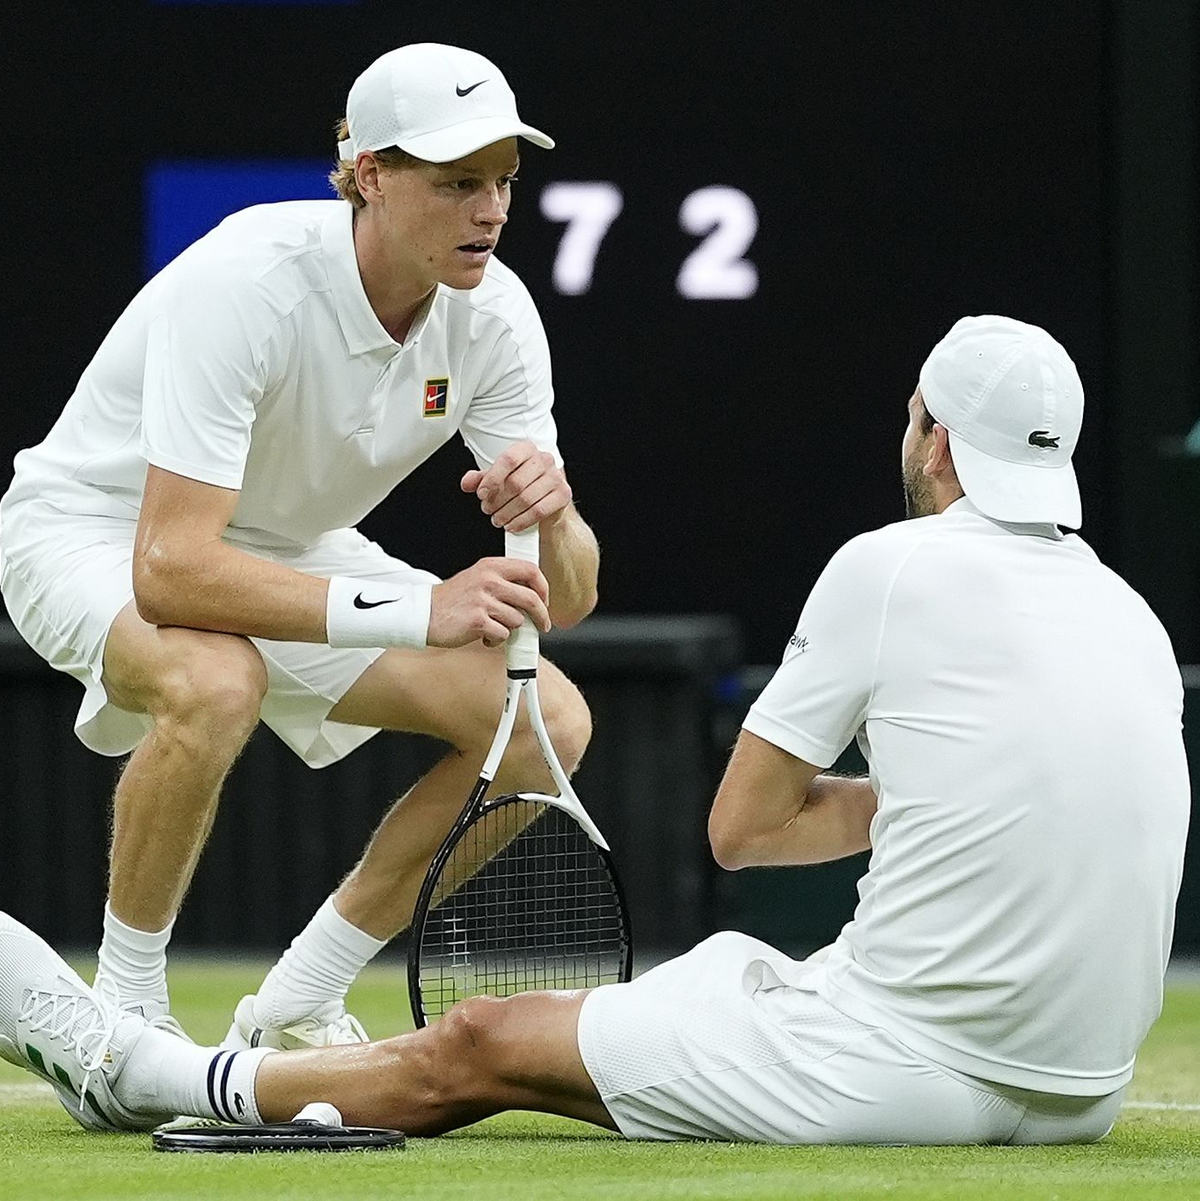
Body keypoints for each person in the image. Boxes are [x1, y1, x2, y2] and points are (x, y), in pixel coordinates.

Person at [2, 316, 1189, 1145]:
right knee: (722, 976)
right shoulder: (1130, 614)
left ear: (934, 440)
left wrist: (907, 805)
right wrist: (948, 800)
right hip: (1080, 1090)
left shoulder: (889, 567)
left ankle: (153, 1072)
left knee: (478, 1043)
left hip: (891, 1068)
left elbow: (744, 831)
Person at [0, 42, 598, 1057]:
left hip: (285, 543)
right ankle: (125, 1017)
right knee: (215, 677)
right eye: (457, 182)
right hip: (95, 528)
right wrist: (422, 610)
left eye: (502, 180)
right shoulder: (248, 280)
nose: (491, 209)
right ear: (370, 175)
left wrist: (558, 514)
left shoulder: (495, 315)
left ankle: (294, 1002)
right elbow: (170, 569)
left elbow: (566, 599)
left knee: (544, 723)